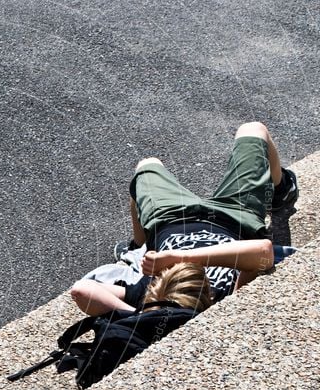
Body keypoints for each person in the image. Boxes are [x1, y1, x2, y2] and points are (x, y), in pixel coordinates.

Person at [71, 121, 299, 316]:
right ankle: (281, 192)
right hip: (233, 216)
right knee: (253, 130)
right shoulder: (224, 292)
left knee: (146, 167)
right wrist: (178, 257)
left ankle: (137, 246)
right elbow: (263, 252)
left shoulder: (151, 293)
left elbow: (82, 290)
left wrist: (138, 315)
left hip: (169, 220)